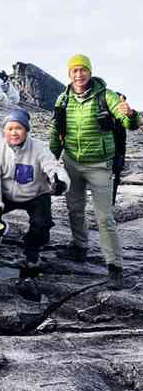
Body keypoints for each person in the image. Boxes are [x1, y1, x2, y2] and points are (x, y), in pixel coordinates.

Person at [50, 54, 139, 289]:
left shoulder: (106, 96)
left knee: (104, 217)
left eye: (83, 70)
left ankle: (115, 266)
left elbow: (129, 122)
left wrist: (129, 114)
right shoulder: (63, 99)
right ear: (69, 74)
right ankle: (79, 247)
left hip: (100, 165)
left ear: (90, 72)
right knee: (74, 208)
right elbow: (56, 131)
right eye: (74, 71)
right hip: (71, 162)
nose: (79, 75)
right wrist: (50, 160)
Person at [0, 109, 70, 268]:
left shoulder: (39, 147)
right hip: (6, 194)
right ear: (4, 131)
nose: (14, 133)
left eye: (19, 128)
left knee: (41, 224)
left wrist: (60, 182)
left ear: (26, 130)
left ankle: (32, 251)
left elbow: (52, 166)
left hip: (35, 194)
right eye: (10, 129)